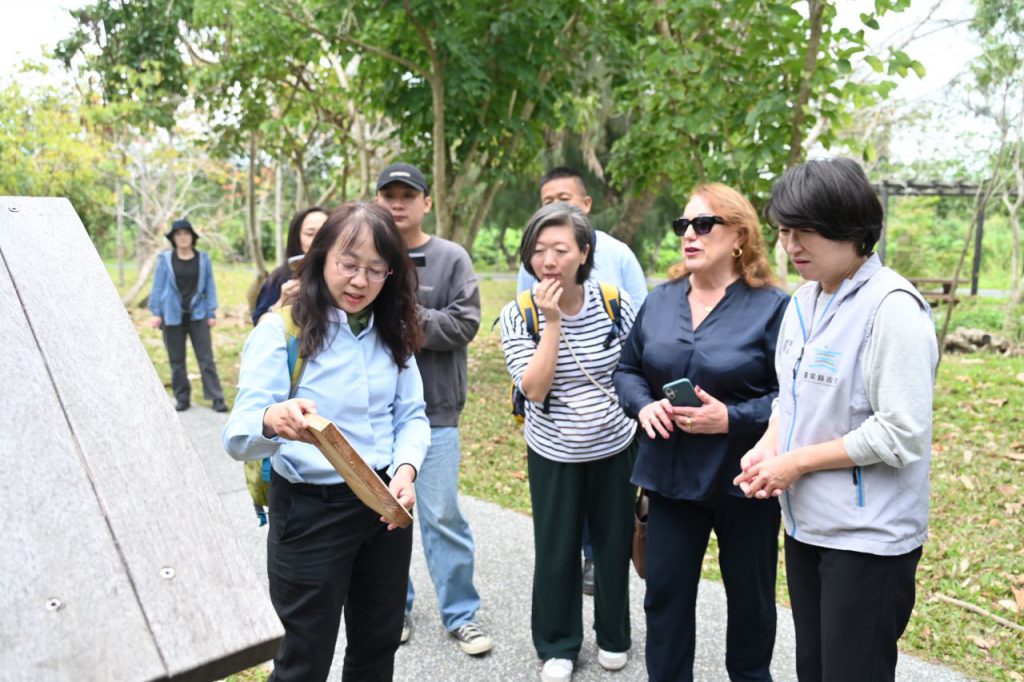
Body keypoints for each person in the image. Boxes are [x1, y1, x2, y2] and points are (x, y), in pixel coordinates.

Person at [734, 157, 938, 682]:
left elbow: (901, 431)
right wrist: (769, 447)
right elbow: (790, 398)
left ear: (852, 231)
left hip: (867, 539)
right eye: (784, 231)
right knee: (815, 670)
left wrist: (796, 463)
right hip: (808, 528)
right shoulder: (803, 303)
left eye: (805, 232)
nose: (790, 245)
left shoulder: (892, 308)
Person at [222, 202, 429, 682]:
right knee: (303, 659)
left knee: (377, 647)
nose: (360, 281)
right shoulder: (282, 330)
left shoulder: (392, 331)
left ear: (391, 274)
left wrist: (406, 471)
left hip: (384, 508)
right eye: (348, 264)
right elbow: (237, 434)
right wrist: (273, 419)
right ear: (320, 259)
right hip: (310, 514)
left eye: (376, 270)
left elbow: (412, 416)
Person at [613, 183, 788, 681]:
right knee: (664, 600)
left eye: (703, 224)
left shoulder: (773, 307)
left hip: (745, 479)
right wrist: (643, 406)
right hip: (669, 476)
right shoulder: (661, 300)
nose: (689, 234)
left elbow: (792, 396)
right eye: (682, 226)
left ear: (739, 236)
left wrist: (731, 417)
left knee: (751, 604)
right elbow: (627, 370)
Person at [500, 202, 637, 682]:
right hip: (554, 451)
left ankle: (615, 635)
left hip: (616, 447)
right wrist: (552, 321)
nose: (549, 260)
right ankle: (558, 645)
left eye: (560, 249)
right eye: (538, 250)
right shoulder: (518, 315)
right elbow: (534, 389)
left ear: (584, 252)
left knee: (613, 544)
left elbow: (637, 369)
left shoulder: (616, 302)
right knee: (556, 550)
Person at [374, 162, 492, 655]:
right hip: (374, 417)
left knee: (442, 515)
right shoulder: (369, 254)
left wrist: (404, 312)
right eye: (389, 195)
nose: (398, 203)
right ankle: (391, 609)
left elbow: (464, 325)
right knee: (382, 518)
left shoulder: (450, 258)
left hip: (438, 411)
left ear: (426, 202)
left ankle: (461, 614)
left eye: (408, 195)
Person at [516, 165, 648, 595]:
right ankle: (557, 635)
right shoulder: (536, 270)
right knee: (558, 539)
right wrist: (552, 322)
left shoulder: (619, 260)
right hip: (554, 431)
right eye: (548, 200)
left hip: (613, 431)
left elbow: (641, 340)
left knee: (611, 531)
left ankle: (612, 625)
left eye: (565, 200)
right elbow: (527, 324)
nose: (550, 261)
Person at [148, 218, 227, 412]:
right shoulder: (165, 260)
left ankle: (216, 398)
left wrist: (211, 311)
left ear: (192, 237)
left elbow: (210, 286)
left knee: (206, 359)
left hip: (198, 315)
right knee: (176, 361)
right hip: (171, 315)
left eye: (186, 234)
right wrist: (156, 312)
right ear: (174, 239)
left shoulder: (203, 259)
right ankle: (182, 398)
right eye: (178, 234)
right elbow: (158, 286)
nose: (183, 238)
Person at [251, 206, 329, 325]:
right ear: (297, 238)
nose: (317, 240)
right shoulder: (279, 278)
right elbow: (259, 323)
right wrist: (281, 304)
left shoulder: (346, 275)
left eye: (324, 233)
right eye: (310, 234)